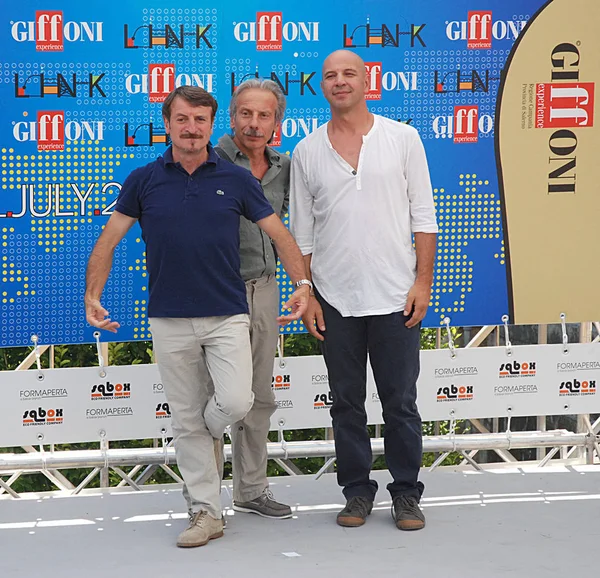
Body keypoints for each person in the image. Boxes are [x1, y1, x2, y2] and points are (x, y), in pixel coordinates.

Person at [85, 86, 312, 548]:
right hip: (168, 319)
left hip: (228, 313)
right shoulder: (143, 179)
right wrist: (92, 295)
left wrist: (302, 286)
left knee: (236, 402)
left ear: (212, 127)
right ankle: (206, 512)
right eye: (182, 120)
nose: (191, 129)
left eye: (200, 121)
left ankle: (201, 434)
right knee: (187, 416)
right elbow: (109, 239)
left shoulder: (237, 178)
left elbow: (280, 236)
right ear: (167, 124)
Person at [290, 50, 438, 531]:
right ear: (322, 86)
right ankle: (356, 492)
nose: (339, 81)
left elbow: (424, 217)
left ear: (367, 80)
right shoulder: (307, 150)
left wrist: (422, 282)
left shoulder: (403, 138)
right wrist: (308, 293)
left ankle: (406, 494)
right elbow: (302, 232)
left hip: (397, 294)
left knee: (401, 401)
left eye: (348, 73)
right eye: (330, 75)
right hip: (334, 298)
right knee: (346, 401)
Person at [211, 79, 292, 519]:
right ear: (232, 115)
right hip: (217, 293)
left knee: (260, 395)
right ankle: (206, 499)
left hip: (265, 289)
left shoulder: (285, 166)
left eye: (264, 115)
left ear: (277, 121)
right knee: (218, 397)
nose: (254, 123)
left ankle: (251, 489)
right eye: (246, 113)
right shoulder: (209, 160)